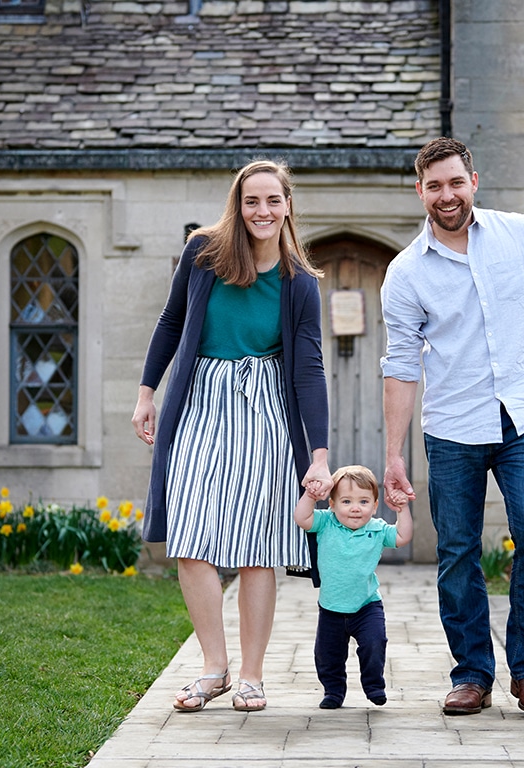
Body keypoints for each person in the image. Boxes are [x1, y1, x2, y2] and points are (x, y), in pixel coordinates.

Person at [379, 137, 524, 716]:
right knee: (456, 553)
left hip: (523, 417)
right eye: (434, 185)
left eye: (455, 182)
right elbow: (400, 367)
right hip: (452, 428)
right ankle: (472, 673)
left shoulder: (520, 235)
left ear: (474, 179)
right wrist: (394, 455)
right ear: (418, 190)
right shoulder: (405, 273)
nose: (446, 195)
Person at [132, 159, 333, 713]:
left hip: (265, 406)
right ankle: (212, 667)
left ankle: (250, 675)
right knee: (190, 534)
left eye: (273, 201)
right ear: (237, 205)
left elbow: (309, 369)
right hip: (200, 400)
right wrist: (147, 392)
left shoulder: (300, 285)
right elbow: (171, 321)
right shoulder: (203, 255)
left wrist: (318, 455)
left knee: (256, 545)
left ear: (288, 205)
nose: (262, 211)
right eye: (252, 201)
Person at [293, 465, 413, 709]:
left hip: (366, 605)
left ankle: (374, 685)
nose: (355, 508)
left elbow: (403, 537)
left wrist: (403, 510)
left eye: (363, 501)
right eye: (346, 501)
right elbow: (302, 518)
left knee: (374, 644)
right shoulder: (326, 523)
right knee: (328, 656)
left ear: (375, 505)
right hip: (331, 608)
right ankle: (333, 692)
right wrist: (310, 496)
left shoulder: (377, 529)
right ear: (333, 504)